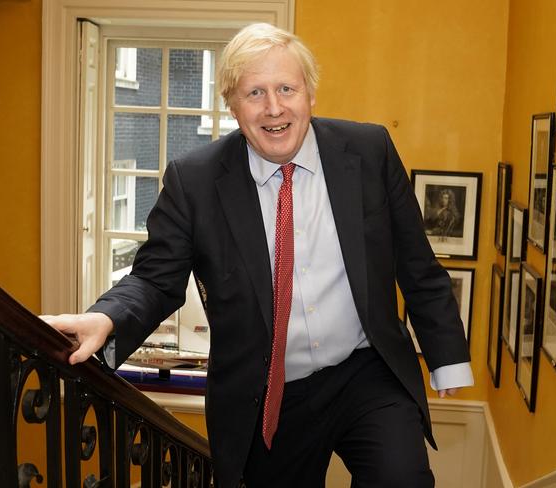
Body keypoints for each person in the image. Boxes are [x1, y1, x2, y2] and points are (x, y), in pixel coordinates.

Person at [41, 23, 473, 488]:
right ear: (231, 103)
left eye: (287, 88)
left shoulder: (368, 150)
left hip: (366, 369)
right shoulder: (195, 182)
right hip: (267, 394)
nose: (274, 108)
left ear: (309, 93)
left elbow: (416, 260)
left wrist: (446, 353)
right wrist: (107, 318)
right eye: (255, 93)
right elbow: (154, 279)